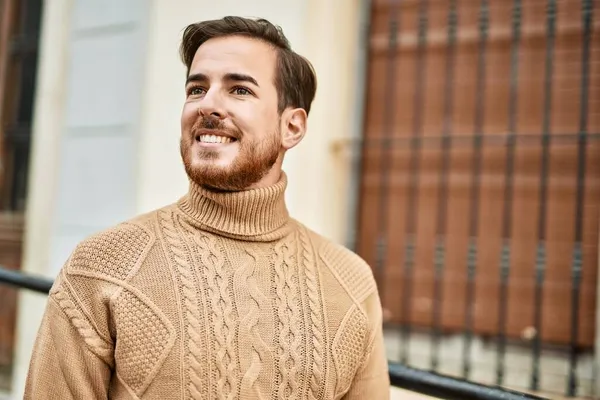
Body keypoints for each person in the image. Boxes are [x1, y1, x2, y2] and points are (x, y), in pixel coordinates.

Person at [25, 16, 390, 399]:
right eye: (197, 89)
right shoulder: (102, 266)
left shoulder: (350, 281)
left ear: (292, 127)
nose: (208, 105)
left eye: (239, 90)